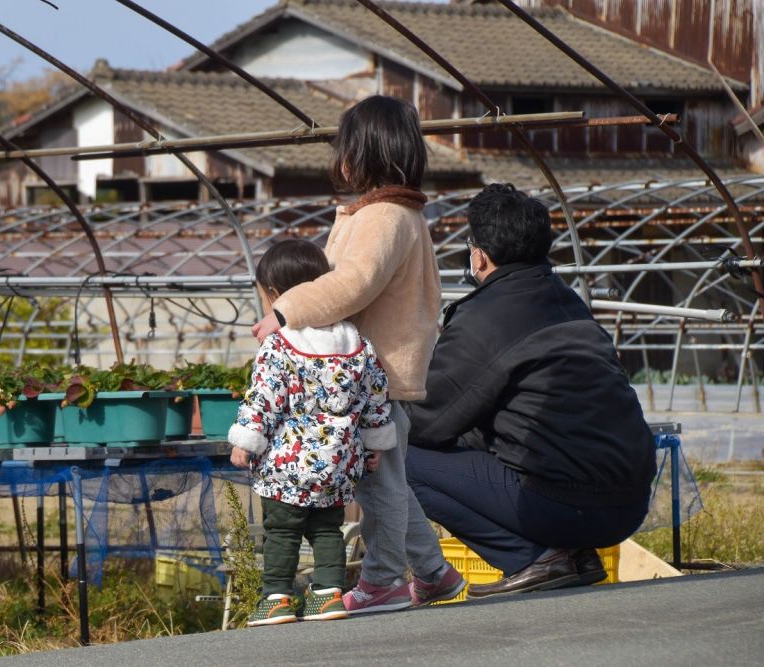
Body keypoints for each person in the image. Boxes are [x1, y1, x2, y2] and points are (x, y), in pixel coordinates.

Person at [252, 95, 464, 614]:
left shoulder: (385, 215)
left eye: (346, 148)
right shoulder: (379, 213)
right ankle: (434, 574)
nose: (340, 160)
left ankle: (385, 580)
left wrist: (287, 310)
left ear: (364, 154)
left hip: (377, 377)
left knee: (378, 487)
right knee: (384, 481)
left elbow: (352, 282)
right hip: (367, 374)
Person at [405, 183, 657, 599]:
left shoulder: (483, 318)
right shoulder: (569, 303)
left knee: (402, 457)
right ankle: (573, 557)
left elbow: (427, 422)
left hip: (568, 504)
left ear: (480, 254)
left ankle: (533, 558)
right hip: (630, 502)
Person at [229, 239, 397, 626]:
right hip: (338, 464)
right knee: (327, 530)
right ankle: (328, 596)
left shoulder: (280, 345)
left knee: (282, 531)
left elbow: (265, 399)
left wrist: (245, 440)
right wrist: (376, 444)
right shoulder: (357, 343)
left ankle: (277, 598)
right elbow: (375, 398)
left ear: (274, 293)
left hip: (288, 466)